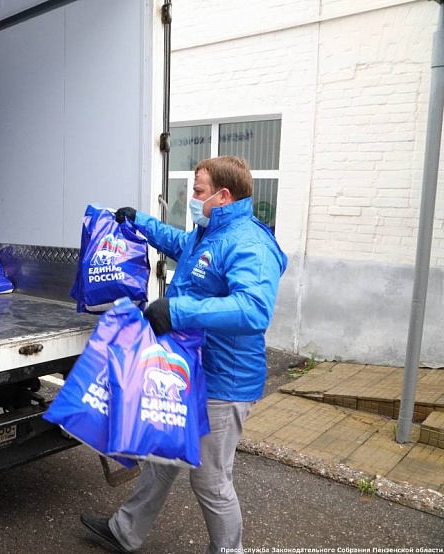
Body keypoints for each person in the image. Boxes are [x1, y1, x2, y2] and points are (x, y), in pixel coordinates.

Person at [81, 155, 287, 554]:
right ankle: (124, 531)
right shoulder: (208, 232)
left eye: (198, 191)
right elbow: (178, 243)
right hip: (192, 371)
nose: (191, 198)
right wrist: (138, 220)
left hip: (223, 383)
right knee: (162, 454)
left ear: (223, 196)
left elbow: (253, 309)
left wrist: (177, 311)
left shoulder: (249, 242)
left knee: (210, 479)